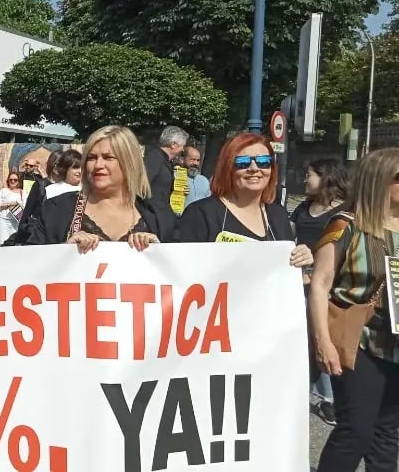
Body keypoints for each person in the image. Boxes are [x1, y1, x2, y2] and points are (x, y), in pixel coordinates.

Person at [309, 148, 399, 472]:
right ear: (378, 181)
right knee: (356, 430)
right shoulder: (346, 225)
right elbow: (320, 284)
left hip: (396, 344)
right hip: (356, 340)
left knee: (387, 435)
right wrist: (324, 342)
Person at [27, 126, 171, 251]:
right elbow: (24, 261)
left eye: (108, 157)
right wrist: (64, 250)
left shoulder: (160, 215)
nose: (98, 165)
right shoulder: (56, 209)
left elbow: (181, 271)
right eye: (91, 158)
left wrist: (159, 252)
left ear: (130, 163)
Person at [177, 132, 312, 265]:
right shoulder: (200, 213)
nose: (254, 168)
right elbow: (181, 269)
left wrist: (301, 260)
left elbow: (285, 272)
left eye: (263, 162)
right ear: (228, 168)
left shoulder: (278, 215)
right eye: (243, 162)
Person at [293, 158, 350, 426]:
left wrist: (315, 274)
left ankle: (330, 400)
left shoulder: (344, 214)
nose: (305, 179)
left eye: (309, 175)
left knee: (323, 338)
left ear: (325, 177)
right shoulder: (303, 208)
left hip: (325, 286)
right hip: (297, 282)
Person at [144, 126, 189, 215]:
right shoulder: (155, 157)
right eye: (182, 146)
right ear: (173, 144)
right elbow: (143, 185)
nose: (183, 149)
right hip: (150, 213)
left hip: (159, 212)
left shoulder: (164, 160)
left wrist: (178, 190)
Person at [0, 171, 25, 247]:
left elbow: (25, 205)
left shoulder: (22, 192)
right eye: (10, 179)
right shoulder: (3, 191)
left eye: (15, 180)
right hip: (4, 220)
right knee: (2, 241)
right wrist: (10, 203)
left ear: (19, 181)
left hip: (16, 221)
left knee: (13, 243)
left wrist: (17, 204)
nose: (12, 181)